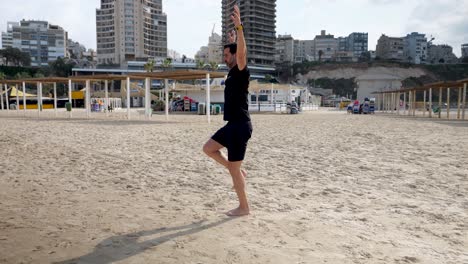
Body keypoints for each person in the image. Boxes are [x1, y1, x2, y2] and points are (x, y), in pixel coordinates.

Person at [203, 4, 252, 217]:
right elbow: (235, 51)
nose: (224, 58)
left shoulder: (240, 70)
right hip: (232, 124)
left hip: (241, 125)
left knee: (233, 170)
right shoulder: (231, 73)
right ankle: (237, 170)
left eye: (226, 54)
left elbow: (241, 53)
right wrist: (232, 38)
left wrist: (239, 28)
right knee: (208, 148)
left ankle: (244, 207)